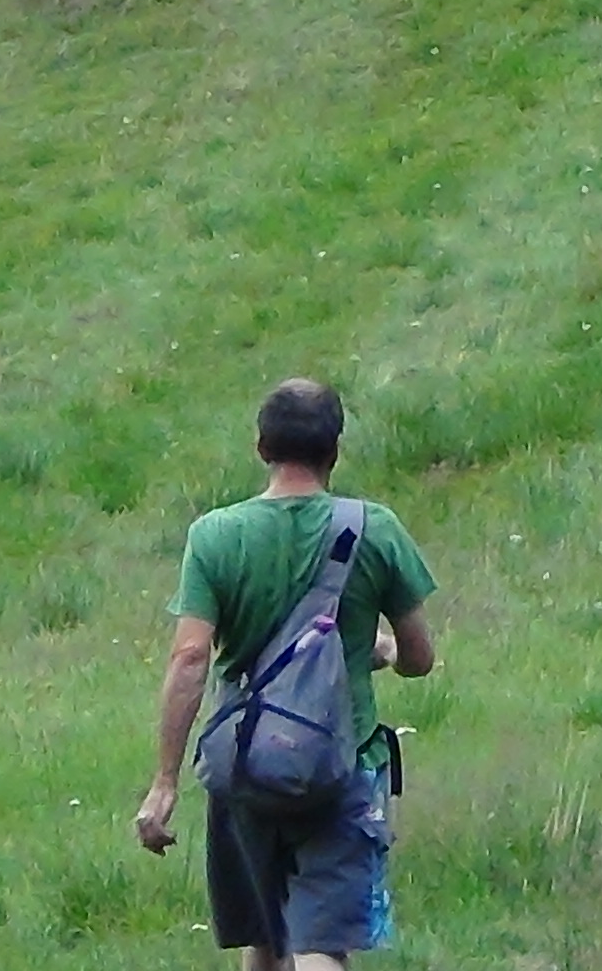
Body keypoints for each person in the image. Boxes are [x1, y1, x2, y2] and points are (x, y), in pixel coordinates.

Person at [136, 378, 440, 971]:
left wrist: (165, 781)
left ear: (261, 447)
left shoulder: (215, 535)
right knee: (321, 943)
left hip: (248, 761)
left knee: (265, 936)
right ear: (335, 450)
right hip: (341, 762)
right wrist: (378, 652)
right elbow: (420, 657)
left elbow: (190, 658)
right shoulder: (373, 527)